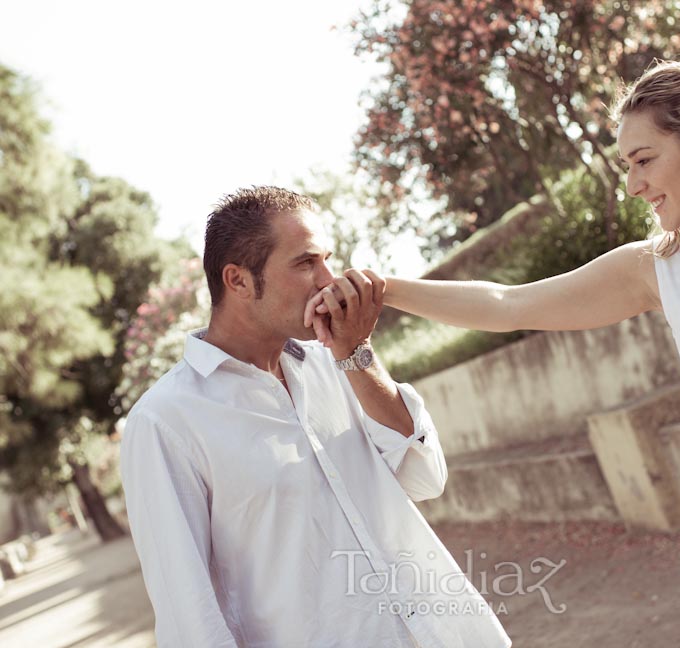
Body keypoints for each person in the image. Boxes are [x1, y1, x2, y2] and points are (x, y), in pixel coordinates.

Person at [307, 59, 680, 647]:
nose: (633, 184)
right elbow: (508, 303)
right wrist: (379, 290)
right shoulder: (656, 269)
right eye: (626, 166)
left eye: (645, 159)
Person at [120, 187, 511, 648]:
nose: (329, 279)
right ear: (239, 280)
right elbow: (188, 614)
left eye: (328, 259)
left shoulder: (338, 360)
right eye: (306, 263)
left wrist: (355, 353)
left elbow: (424, 477)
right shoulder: (165, 421)